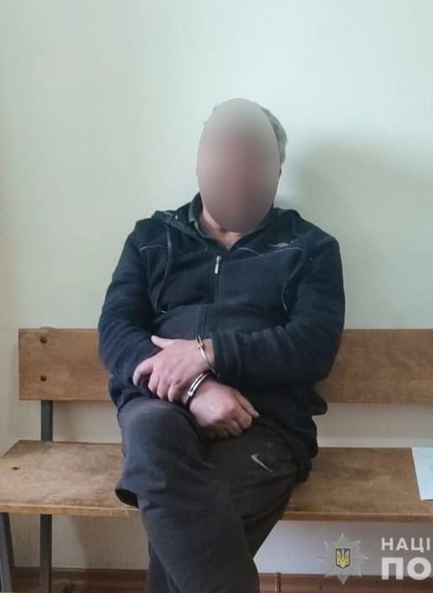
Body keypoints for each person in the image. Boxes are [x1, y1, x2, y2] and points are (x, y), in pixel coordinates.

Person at [97, 98, 345, 593]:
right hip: (160, 408)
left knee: (186, 516)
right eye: (224, 155)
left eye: (253, 159)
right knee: (153, 445)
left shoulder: (310, 248)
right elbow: (116, 331)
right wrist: (196, 389)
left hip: (264, 423)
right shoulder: (151, 238)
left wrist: (207, 353)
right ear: (199, 163)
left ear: (276, 171)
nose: (237, 170)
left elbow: (313, 345)